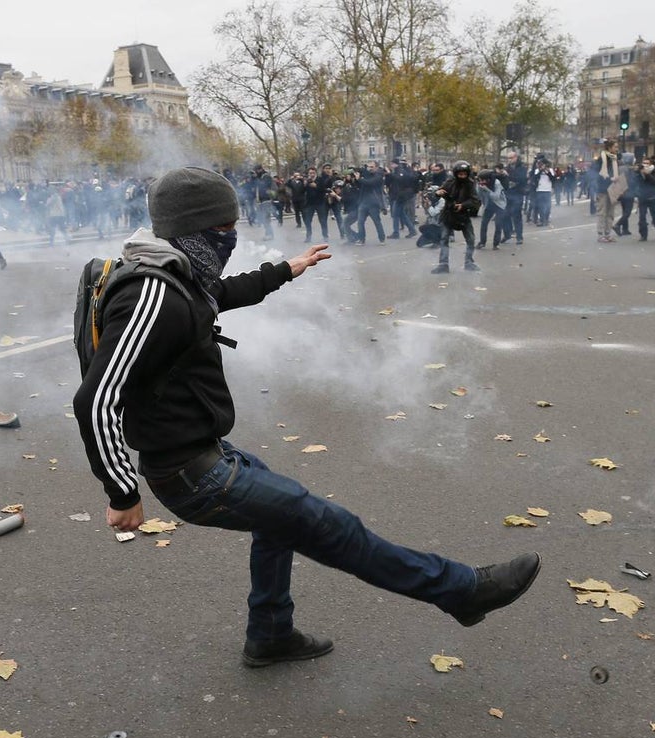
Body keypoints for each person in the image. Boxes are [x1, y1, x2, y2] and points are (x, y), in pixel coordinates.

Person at [73, 167, 540, 667]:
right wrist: (120, 491)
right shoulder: (154, 292)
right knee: (326, 523)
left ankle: (270, 633)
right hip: (188, 472)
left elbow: (217, 296)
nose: (233, 236)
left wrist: (286, 269)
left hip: (205, 452)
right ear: (196, 228)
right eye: (226, 228)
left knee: (279, 521)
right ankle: (461, 590)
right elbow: (96, 398)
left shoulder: (175, 274)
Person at [431, 161, 481, 274]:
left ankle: (469, 262)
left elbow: (475, 200)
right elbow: (440, 191)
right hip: (448, 214)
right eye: (460, 174)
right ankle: (443, 264)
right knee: (444, 239)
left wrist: (463, 205)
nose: (462, 176)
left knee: (471, 239)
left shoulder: (470, 184)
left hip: (463, 215)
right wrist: (438, 192)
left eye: (465, 174)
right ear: (456, 173)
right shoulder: (450, 182)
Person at [593, 139, 621, 243]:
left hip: (613, 189)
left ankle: (608, 233)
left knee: (610, 212)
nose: (617, 149)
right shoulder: (601, 159)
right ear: (609, 148)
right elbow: (597, 174)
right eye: (615, 147)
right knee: (602, 212)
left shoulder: (614, 159)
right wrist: (610, 179)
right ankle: (600, 234)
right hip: (603, 189)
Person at [354, 160, 387, 244]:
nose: (370, 169)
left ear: (376, 167)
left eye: (372, 167)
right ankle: (361, 239)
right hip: (364, 201)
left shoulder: (379, 175)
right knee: (360, 221)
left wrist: (360, 179)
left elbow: (370, 183)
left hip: (374, 203)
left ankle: (382, 238)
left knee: (377, 221)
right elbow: (360, 185)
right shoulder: (367, 174)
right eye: (368, 167)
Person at [635, 158, 655, 241]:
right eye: (644, 163)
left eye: (647, 163)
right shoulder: (639, 171)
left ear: (650, 164)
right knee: (642, 217)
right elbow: (635, 182)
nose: (645, 165)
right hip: (643, 197)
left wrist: (647, 174)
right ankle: (643, 235)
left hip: (654, 197)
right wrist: (639, 173)